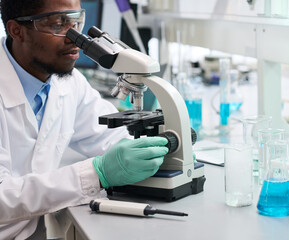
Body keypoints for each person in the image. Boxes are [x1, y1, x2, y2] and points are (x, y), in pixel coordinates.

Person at [0, 0, 170, 238]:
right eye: (58, 24)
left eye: (76, 20)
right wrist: (97, 173)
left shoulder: (67, 81)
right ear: (16, 30)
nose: (74, 36)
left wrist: (162, 150)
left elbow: (108, 135)